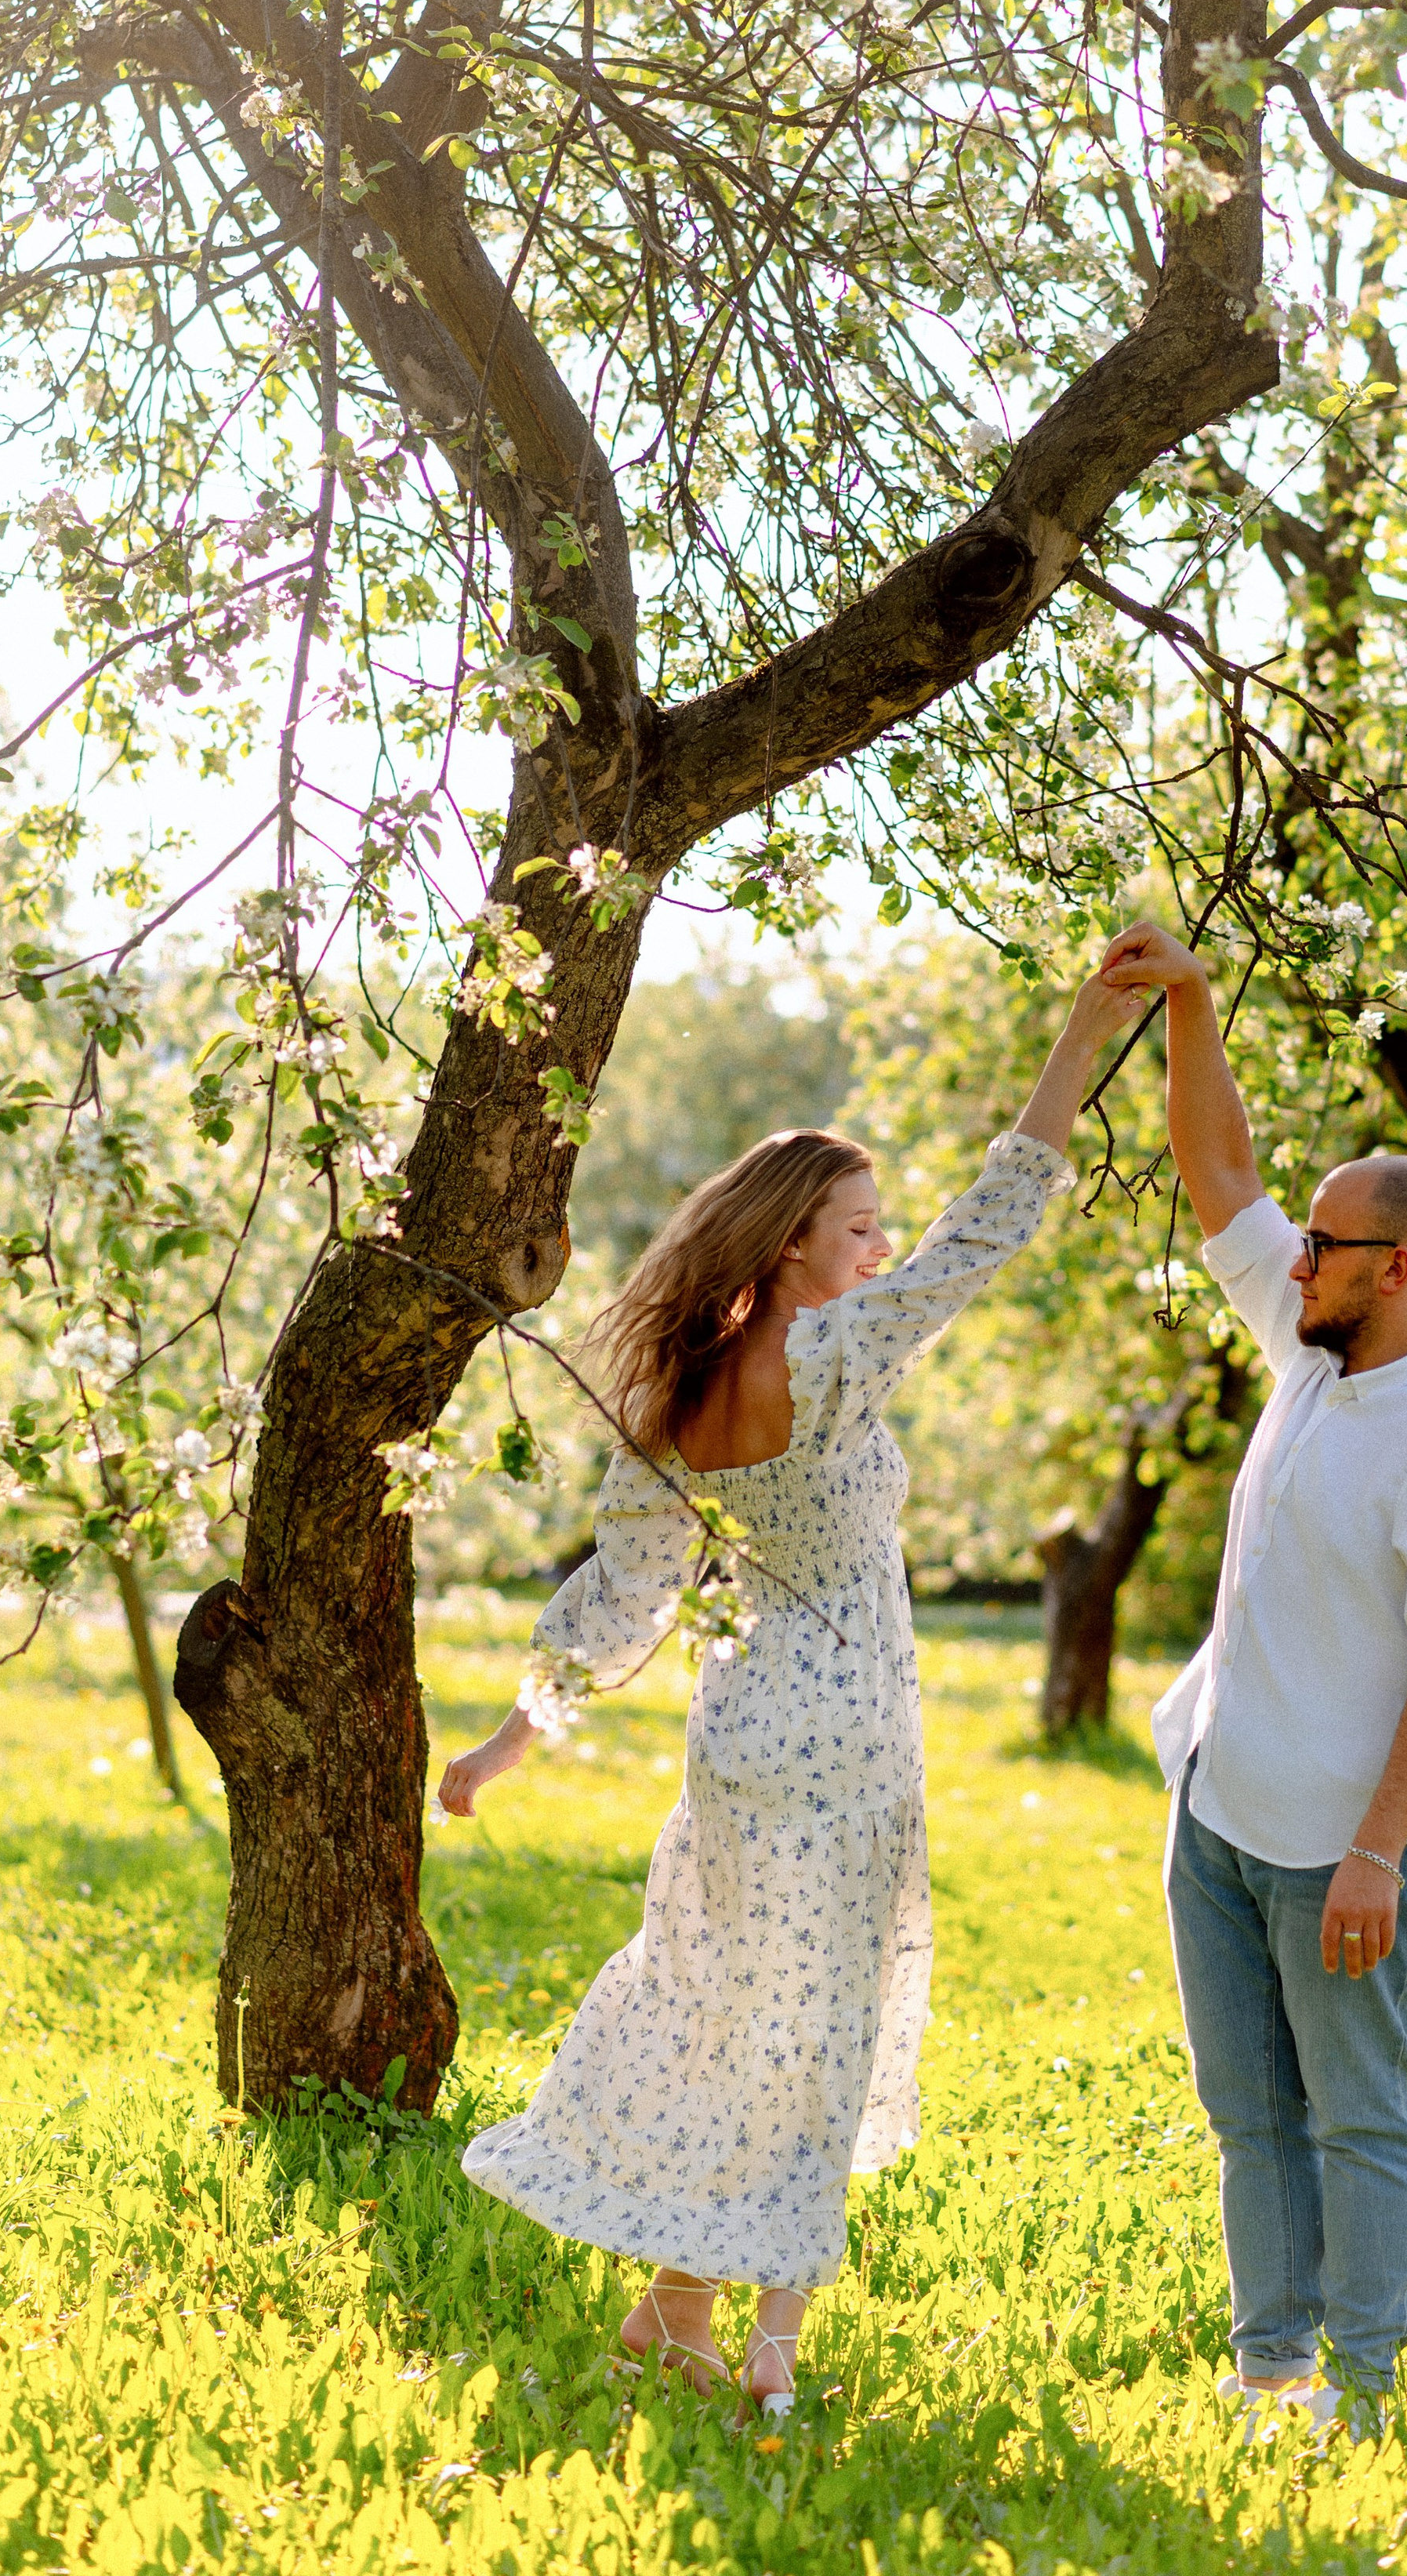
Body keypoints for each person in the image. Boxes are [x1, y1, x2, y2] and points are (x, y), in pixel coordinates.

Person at [437, 968, 1141, 2416]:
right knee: (816, 2037)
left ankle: (677, 2310)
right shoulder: (830, 1357)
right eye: (862, 1228)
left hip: (739, 1732)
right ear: (797, 1244)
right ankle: (770, 2347)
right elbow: (990, 1227)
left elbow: (619, 1594)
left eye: (880, 1226)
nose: (885, 1250)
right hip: (846, 1744)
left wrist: (513, 1742)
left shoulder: (685, 1386)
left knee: (722, 2013)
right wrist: (1080, 1035)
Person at [1097, 922, 1407, 2439]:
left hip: (1355, 1846)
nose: (1296, 1256)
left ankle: (1361, 2391)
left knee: (1356, 2114)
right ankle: (1271, 2373)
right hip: (1223, 1809)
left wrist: (1376, 1850)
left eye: (1327, 1245)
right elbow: (1220, 1173)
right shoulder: (1307, 1351)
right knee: (1248, 2118)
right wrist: (1194, 1005)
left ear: (1396, 1268)